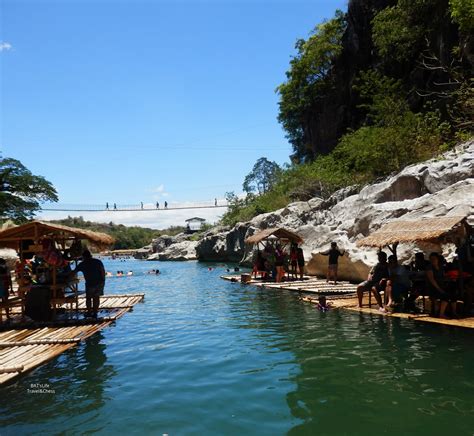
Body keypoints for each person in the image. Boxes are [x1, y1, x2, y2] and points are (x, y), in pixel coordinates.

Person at [72, 250, 105, 319]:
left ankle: (89, 312)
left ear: (83, 257)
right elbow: (102, 271)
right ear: (90, 255)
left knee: (89, 298)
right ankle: (95, 313)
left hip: (90, 283)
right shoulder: (97, 262)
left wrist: (66, 277)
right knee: (96, 298)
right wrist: (103, 280)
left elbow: (74, 272)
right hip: (99, 282)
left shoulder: (82, 264)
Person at [426, 252, 457, 318]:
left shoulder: (440, 267)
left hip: (441, 286)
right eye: (431, 259)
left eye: (434, 259)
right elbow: (432, 280)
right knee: (445, 295)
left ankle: (454, 313)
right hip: (433, 288)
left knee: (453, 294)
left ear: (437, 259)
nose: (432, 260)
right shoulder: (429, 267)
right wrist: (440, 289)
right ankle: (441, 314)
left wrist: (451, 278)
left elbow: (443, 277)